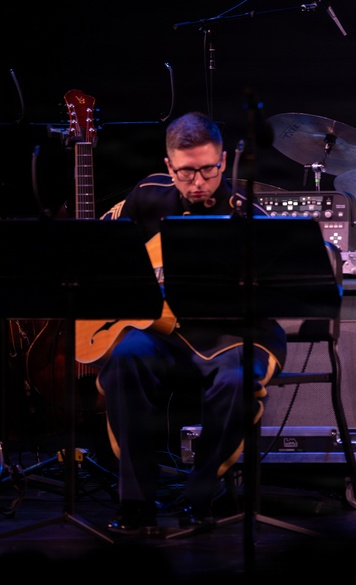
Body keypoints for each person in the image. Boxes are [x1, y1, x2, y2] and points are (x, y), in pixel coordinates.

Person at [96, 112, 286, 534]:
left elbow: (276, 291)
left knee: (235, 380)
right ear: (169, 166)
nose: (197, 182)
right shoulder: (147, 195)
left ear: (223, 161)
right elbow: (107, 251)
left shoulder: (247, 214)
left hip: (234, 333)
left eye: (208, 170)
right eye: (185, 172)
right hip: (164, 332)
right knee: (124, 360)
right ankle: (136, 503)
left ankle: (200, 495)